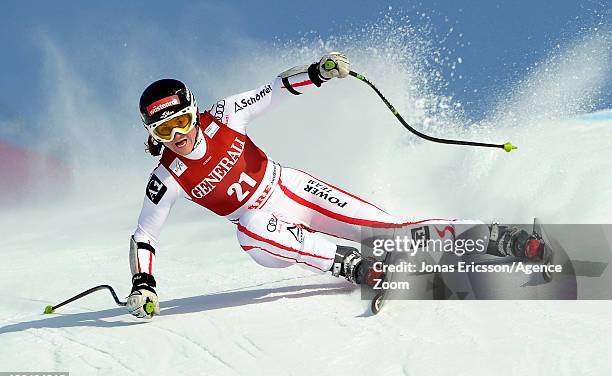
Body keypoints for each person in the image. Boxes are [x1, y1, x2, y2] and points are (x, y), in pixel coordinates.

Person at [127, 52, 544, 318]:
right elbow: (145, 234)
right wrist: (143, 285)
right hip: (264, 237)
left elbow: (275, 89)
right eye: (165, 132)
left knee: (392, 233)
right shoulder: (167, 176)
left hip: (291, 189)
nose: (178, 136)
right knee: (251, 224)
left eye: (181, 122)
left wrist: (318, 72)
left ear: (194, 111)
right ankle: (354, 266)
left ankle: (497, 237)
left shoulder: (224, 115)